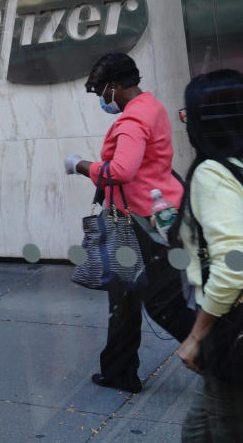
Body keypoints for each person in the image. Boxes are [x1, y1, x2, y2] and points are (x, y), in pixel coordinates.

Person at [64, 52, 195, 393]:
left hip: (141, 224)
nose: (102, 99)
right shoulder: (152, 106)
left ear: (116, 86)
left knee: (165, 305)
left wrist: (80, 165)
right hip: (146, 216)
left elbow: (121, 171)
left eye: (101, 92)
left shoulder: (132, 121)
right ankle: (119, 371)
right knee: (123, 298)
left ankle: (225, 361)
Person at [172, 69, 243, 441]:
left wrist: (197, 336)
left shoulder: (213, 173)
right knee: (197, 431)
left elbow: (234, 267)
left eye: (186, 116)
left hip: (229, 329)